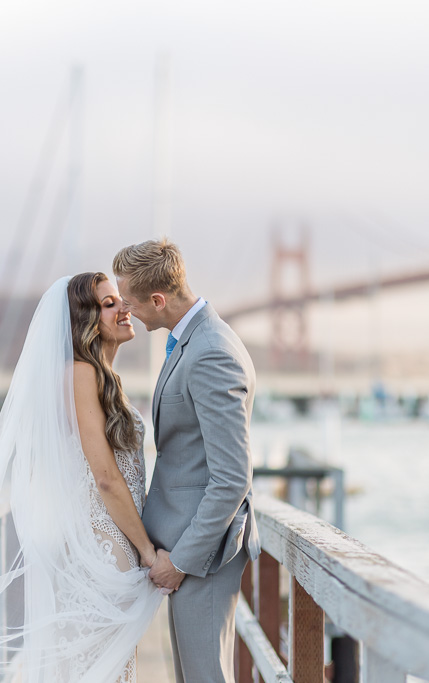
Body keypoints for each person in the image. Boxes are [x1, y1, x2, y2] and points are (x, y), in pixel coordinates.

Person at [0, 272, 163, 683]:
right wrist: (147, 550)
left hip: (106, 546)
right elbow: (105, 476)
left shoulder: (100, 377)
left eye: (119, 299)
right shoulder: (79, 374)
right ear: (85, 321)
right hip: (106, 551)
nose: (124, 308)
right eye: (109, 304)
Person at [113, 238, 259, 683]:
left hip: (205, 551)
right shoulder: (190, 340)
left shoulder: (211, 351)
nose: (127, 311)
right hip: (188, 543)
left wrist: (181, 561)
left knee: (205, 677)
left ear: (158, 300)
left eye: (132, 303)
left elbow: (232, 478)